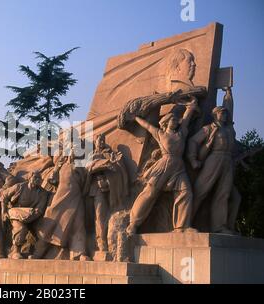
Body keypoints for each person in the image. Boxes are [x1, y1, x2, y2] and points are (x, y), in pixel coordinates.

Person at [126, 99, 199, 235]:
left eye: (176, 120)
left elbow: (186, 118)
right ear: (166, 123)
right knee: (150, 193)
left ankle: (181, 227)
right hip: (164, 165)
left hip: (178, 167)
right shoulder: (160, 134)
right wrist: (135, 117)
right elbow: (147, 126)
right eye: (172, 120)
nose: (176, 122)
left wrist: (191, 107)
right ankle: (133, 224)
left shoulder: (181, 133)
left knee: (186, 192)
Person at [188, 87, 240, 234]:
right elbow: (193, 141)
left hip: (227, 161)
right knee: (200, 191)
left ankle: (220, 227)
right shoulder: (209, 128)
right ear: (215, 115)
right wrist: (193, 159)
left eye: (225, 113)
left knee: (223, 194)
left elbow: (230, 108)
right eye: (221, 113)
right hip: (214, 159)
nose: (224, 115)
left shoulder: (229, 128)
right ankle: (186, 222)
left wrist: (228, 94)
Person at [84, 134, 129, 254]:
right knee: (100, 215)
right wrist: (103, 164)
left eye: (103, 140)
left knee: (110, 214)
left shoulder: (110, 154)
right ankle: (101, 242)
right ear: (95, 142)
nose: (101, 142)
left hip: (111, 188)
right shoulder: (91, 155)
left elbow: (118, 168)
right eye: (99, 141)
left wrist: (114, 163)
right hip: (96, 189)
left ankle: (109, 240)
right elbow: (88, 168)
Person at [0, 171, 48, 259]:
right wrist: (4, 212)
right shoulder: (19, 187)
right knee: (21, 228)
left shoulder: (43, 193)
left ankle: (36, 254)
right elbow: (3, 196)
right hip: (16, 213)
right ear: (29, 178)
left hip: (33, 216)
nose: (37, 180)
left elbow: (40, 210)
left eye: (39, 178)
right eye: (35, 177)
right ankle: (15, 251)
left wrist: (30, 218)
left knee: (44, 230)